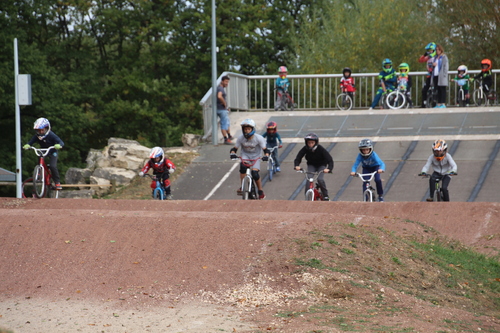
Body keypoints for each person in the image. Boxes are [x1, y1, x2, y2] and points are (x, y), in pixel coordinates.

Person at [230, 119, 270, 200]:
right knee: (242, 168)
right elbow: (234, 148)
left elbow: (266, 150)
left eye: (248, 129)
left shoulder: (259, 138)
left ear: (252, 129)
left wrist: (266, 156)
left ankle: (260, 191)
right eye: (245, 129)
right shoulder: (241, 138)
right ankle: (242, 186)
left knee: (255, 173)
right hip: (245, 155)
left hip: (256, 156)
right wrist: (233, 154)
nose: (247, 131)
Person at [23, 117, 64, 190]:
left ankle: (57, 182)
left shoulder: (51, 135)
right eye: (39, 130)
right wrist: (28, 145)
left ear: (47, 128)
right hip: (44, 150)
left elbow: (61, 142)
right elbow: (30, 142)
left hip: (52, 151)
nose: (41, 132)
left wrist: (59, 145)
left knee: (53, 166)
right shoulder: (37, 136)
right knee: (39, 155)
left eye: (42, 130)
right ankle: (39, 172)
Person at [293, 133, 334, 201]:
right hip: (311, 165)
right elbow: (298, 157)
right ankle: (307, 196)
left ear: (316, 143)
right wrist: (296, 165)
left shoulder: (320, 149)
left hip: (321, 165)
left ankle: (325, 195)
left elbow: (330, 159)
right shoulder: (305, 149)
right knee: (309, 179)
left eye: (312, 143)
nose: (310, 144)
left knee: (320, 179)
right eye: (309, 143)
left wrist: (329, 168)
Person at [418, 42, 437, 108]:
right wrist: (424, 55)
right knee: (424, 90)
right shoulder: (428, 57)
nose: (430, 52)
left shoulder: (437, 57)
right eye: (428, 51)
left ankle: (435, 103)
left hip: (435, 75)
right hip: (429, 75)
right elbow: (420, 60)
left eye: (431, 50)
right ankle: (424, 103)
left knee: (436, 89)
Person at [216, 75, 233, 145]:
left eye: (227, 82)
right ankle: (226, 139)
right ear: (222, 81)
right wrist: (224, 103)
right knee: (224, 124)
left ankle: (229, 135)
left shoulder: (220, 88)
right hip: (221, 109)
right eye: (226, 81)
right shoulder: (220, 88)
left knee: (227, 122)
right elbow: (219, 96)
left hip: (222, 109)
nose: (227, 83)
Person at [431, 44, 449, 108]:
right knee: (437, 90)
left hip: (441, 75)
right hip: (435, 75)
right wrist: (433, 65)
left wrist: (444, 74)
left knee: (442, 89)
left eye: (438, 50)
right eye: (436, 50)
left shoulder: (444, 57)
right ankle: (438, 103)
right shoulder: (435, 57)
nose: (437, 51)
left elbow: (445, 66)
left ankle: (443, 103)